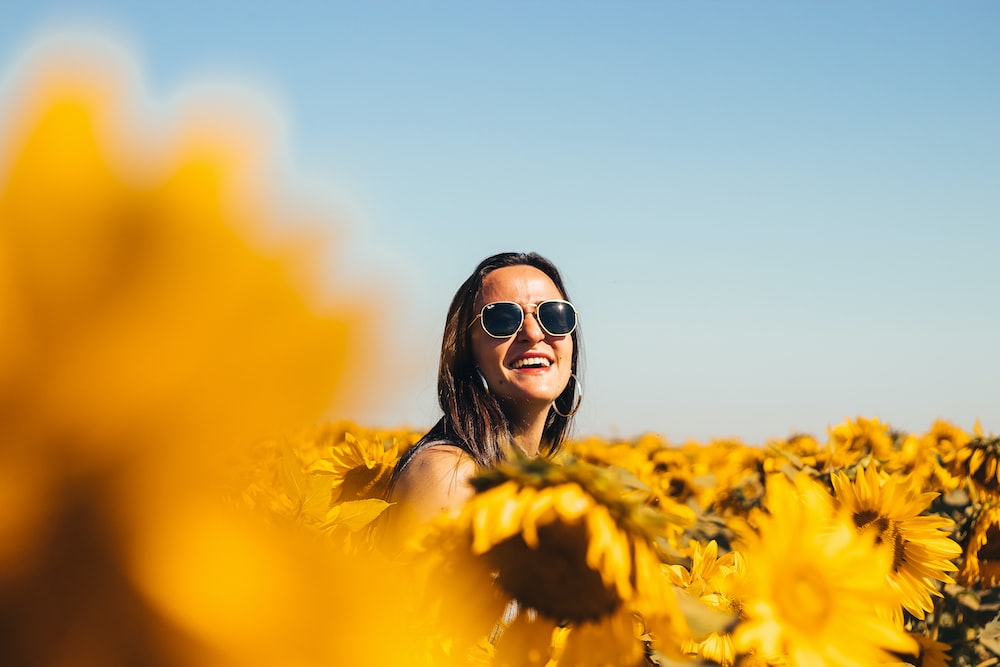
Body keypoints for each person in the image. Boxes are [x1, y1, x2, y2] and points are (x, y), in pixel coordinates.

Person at [383, 251, 583, 547]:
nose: (533, 332)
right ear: (467, 351)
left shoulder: (547, 479)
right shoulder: (451, 477)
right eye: (502, 319)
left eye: (553, 315)